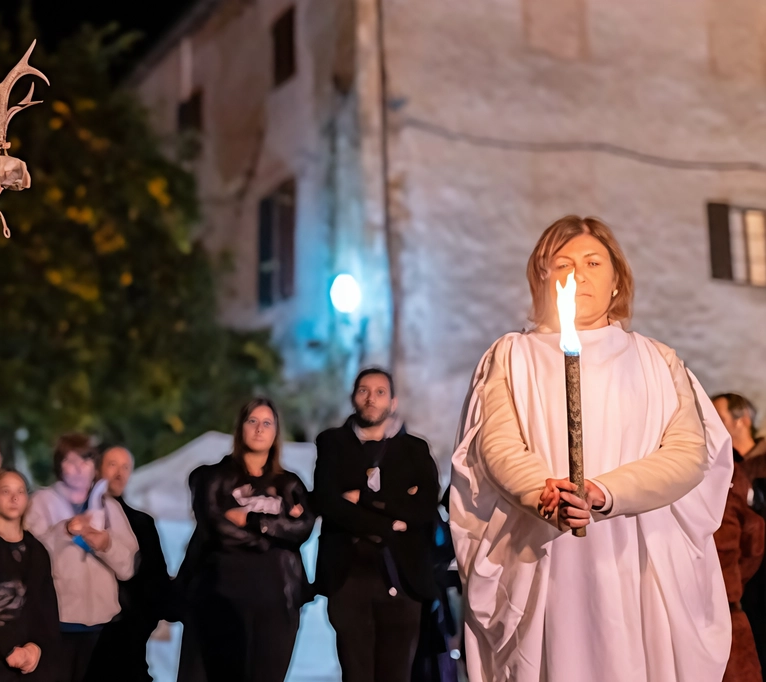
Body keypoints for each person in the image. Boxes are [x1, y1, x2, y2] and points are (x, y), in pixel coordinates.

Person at [450, 215, 733, 681]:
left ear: (616, 279)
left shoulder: (656, 360)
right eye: (561, 263)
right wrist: (549, 496)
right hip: (547, 551)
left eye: (592, 261)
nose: (577, 273)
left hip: (639, 554)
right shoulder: (511, 356)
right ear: (542, 278)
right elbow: (498, 445)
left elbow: (686, 452)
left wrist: (603, 493)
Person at [313, 368, 441, 682]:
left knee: (397, 673)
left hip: (402, 575)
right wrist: (392, 519)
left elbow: (425, 506)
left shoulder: (414, 449)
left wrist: (365, 500)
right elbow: (328, 503)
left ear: (393, 402)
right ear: (353, 397)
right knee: (356, 674)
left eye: (380, 392)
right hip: (349, 576)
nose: (371, 398)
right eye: (364, 390)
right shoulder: (331, 443)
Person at [177, 398, 315, 682]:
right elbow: (216, 527)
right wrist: (276, 531)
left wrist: (255, 522)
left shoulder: (290, 484)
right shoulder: (212, 477)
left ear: (276, 431)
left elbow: (302, 528)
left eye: (267, 423)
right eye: (252, 421)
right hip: (223, 599)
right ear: (240, 428)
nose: (259, 429)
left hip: (277, 603)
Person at [25, 434, 138, 682]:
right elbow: (30, 559)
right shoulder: (41, 503)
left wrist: (106, 545)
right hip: (57, 626)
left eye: (85, 461)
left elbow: (128, 567)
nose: (78, 468)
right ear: (58, 465)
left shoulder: (110, 507)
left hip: (103, 626)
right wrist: (64, 531)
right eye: (70, 461)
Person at [87, 445, 174, 681]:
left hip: (128, 632)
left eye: (125, 467)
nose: (119, 473)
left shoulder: (142, 523)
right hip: (85, 631)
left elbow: (156, 577)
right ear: (96, 469)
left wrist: (142, 622)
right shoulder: (77, 516)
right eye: (112, 465)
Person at [0, 469, 61, 682]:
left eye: (21, 491)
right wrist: (7, 649)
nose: (14, 498)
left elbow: (46, 606)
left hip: (31, 662)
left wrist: (36, 647)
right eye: (5, 491)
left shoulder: (37, 551)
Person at [718, 394, 766, 672]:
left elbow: (755, 533)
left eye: (721, 419)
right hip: (744, 589)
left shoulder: (759, 466)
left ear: (742, 421)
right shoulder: (724, 467)